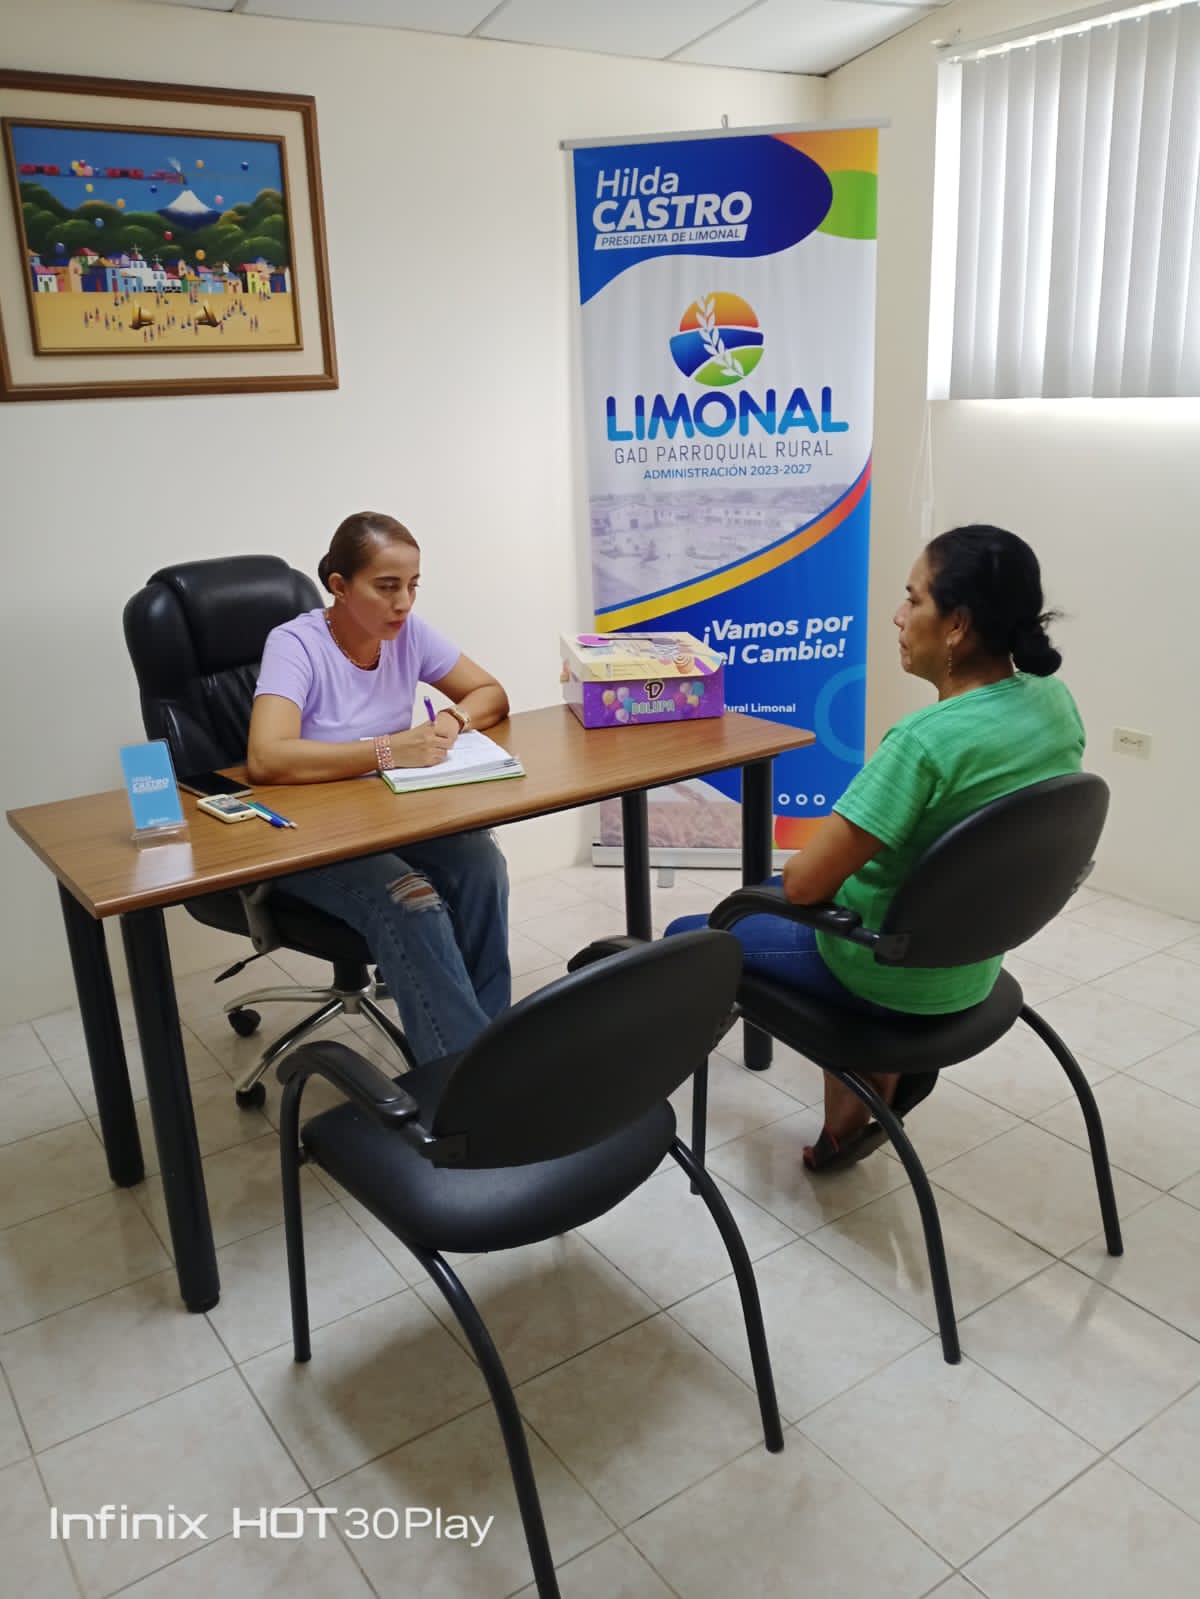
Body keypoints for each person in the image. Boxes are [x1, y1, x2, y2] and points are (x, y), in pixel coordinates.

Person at [666, 524, 1085, 1172]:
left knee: (696, 934)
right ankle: (854, 1107)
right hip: (973, 960)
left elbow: (805, 885)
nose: (896, 615)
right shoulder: (1053, 704)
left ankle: (648, 1103)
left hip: (890, 969)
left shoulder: (924, 743)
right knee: (794, 903)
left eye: (913, 599)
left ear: (957, 626)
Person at [248, 511, 511, 1063]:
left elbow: (490, 692)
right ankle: (459, 1082)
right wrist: (388, 751)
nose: (404, 603)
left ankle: (492, 1050)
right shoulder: (294, 644)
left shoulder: (408, 634)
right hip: (308, 837)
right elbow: (267, 757)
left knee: (481, 864)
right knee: (412, 901)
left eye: (413, 586)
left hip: (389, 818)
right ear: (340, 586)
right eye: (387, 587)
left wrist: (453, 720)